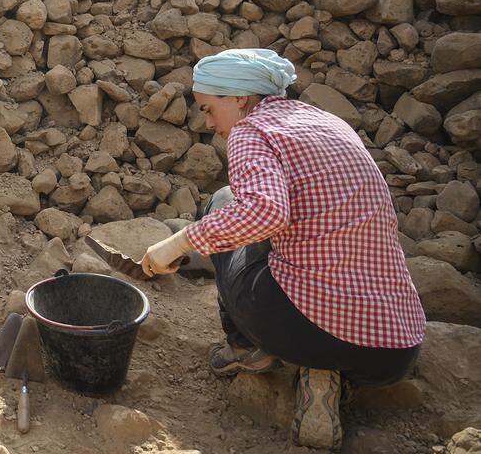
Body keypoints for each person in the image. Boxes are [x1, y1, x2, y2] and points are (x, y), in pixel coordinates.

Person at [140, 48, 424, 450]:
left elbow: (265, 211)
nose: (207, 123)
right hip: (394, 352)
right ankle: (322, 374)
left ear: (239, 98)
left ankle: (246, 347)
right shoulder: (324, 121)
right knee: (272, 234)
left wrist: (179, 241)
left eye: (207, 109)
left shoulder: (250, 131)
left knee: (224, 202)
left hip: (308, 331)